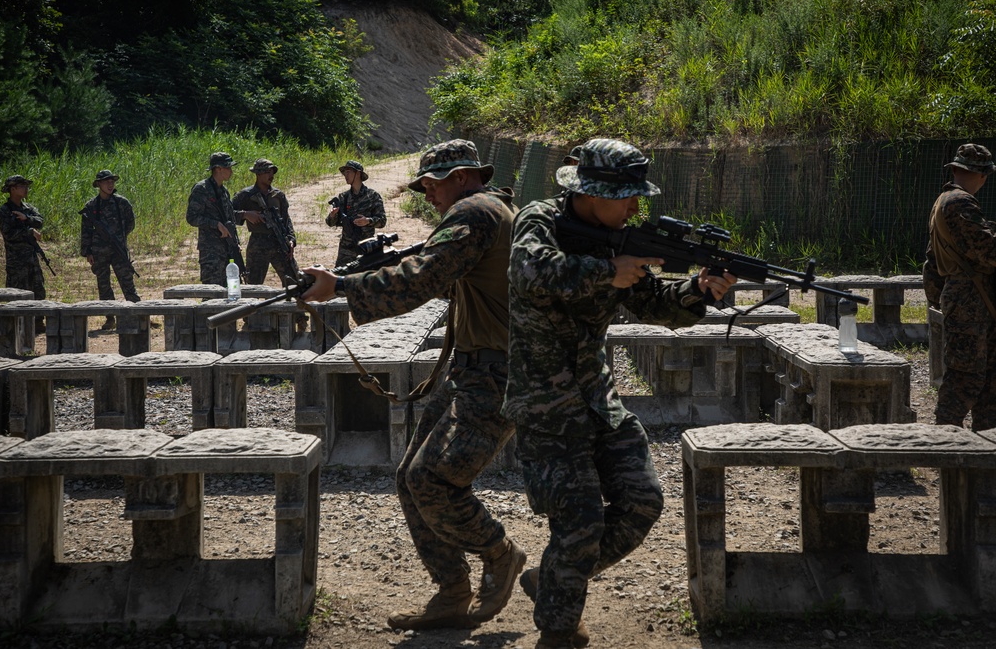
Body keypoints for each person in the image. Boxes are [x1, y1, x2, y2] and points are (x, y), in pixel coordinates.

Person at [502, 138, 736, 649]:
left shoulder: (617, 240)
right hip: (546, 402)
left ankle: (556, 578)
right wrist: (607, 272)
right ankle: (559, 630)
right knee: (581, 520)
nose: (635, 207)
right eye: (627, 196)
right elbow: (527, 272)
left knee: (643, 501)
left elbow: (654, 304)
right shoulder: (538, 220)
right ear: (588, 194)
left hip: (599, 400)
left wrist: (698, 291)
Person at [301, 139, 525, 631]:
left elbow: (422, 279)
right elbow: (444, 276)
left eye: (432, 184)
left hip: (497, 374)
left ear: (463, 176)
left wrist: (342, 287)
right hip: (475, 368)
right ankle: (451, 592)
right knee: (410, 477)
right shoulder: (491, 209)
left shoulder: (476, 212)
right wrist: (367, 272)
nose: (427, 195)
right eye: (422, 186)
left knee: (432, 480)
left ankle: (500, 553)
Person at [924, 143, 996, 430]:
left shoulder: (944, 201)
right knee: (966, 377)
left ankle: (985, 447)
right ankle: (945, 442)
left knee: (988, 380)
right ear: (982, 175)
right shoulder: (960, 203)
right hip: (971, 302)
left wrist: (938, 298)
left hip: (968, 300)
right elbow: (987, 251)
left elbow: (931, 262)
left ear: (954, 169)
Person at [233, 158, 307, 331]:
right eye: (267, 172)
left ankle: (300, 318)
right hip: (258, 242)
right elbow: (228, 213)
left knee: (294, 280)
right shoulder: (245, 195)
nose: (270, 175)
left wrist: (291, 240)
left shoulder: (278, 196)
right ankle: (249, 320)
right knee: (253, 284)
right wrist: (245, 214)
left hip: (279, 242)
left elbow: (287, 221)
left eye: (272, 172)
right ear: (258, 174)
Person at [80, 169, 140, 329]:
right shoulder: (91, 206)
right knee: (104, 284)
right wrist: (88, 252)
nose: (110, 184)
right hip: (99, 253)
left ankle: (138, 314)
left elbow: (130, 223)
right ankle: (110, 318)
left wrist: (119, 237)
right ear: (98, 184)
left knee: (127, 282)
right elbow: (86, 231)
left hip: (119, 250)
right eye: (106, 181)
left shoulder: (122, 203)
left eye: (112, 181)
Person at [186, 152, 246, 286]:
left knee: (234, 290)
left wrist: (235, 242)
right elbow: (191, 217)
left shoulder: (223, 192)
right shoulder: (202, 189)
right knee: (211, 292)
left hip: (228, 251)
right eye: (228, 168)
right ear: (218, 169)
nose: (231, 171)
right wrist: (215, 224)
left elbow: (229, 217)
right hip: (211, 252)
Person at [0, 174, 46, 332]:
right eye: (22, 186)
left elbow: (40, 220)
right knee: (17, 292)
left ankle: (38, 322)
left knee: (38, 289)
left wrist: (27, 219)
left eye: (26, 186)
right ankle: (16, 327)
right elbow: (9, 235)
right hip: (16, 260)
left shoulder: (28, 209)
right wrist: (30, 232)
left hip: (31, 258)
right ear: (12, 189)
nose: (26, 189)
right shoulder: (3, 211)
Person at [325, 159, 386, 267]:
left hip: (366, 247)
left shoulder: (372, 196)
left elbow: (382, 220)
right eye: (344, 173)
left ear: (357, 173)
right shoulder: (343, 197)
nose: (345, 175)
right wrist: (332, 215)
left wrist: (368, 221)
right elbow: (330, 223)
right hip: (346, 249)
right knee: (340, 279)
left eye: (348, 172)